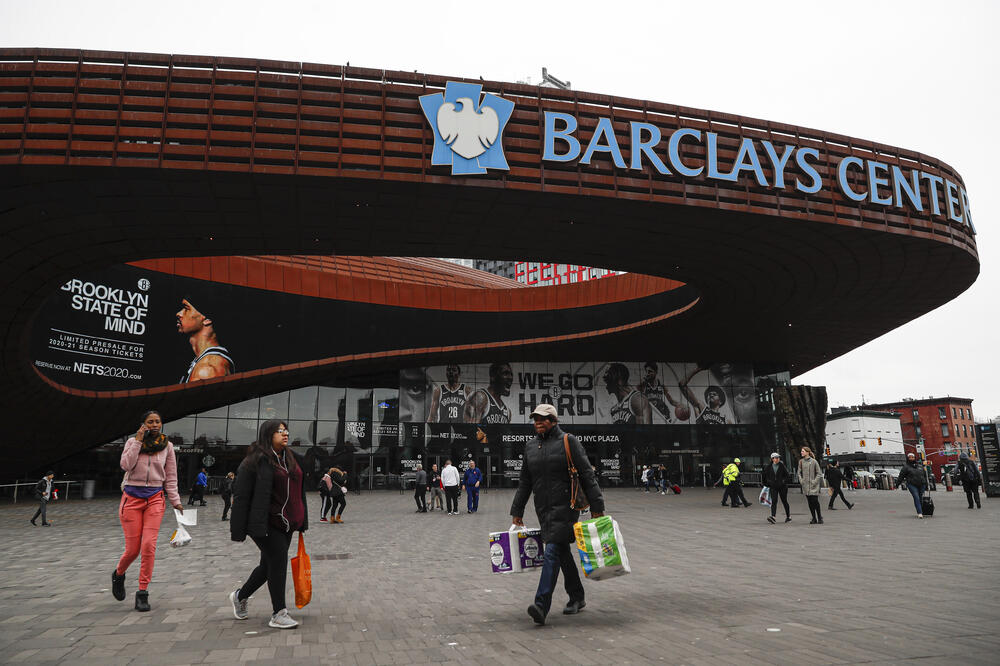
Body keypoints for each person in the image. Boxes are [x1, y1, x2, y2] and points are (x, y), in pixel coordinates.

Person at [511, 404, 605, 626]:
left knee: (552, 549)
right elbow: (525, 481)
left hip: (567, 506)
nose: (538, 422)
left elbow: (586, 475)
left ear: (553, 420)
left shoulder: (568, 441)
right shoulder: (531, 446)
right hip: (543, 508)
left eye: (542, 419)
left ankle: (541, 605)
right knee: (561, 551)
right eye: (535, 419)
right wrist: (517, 510)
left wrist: (597, 506)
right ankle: (577, 596)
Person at [229, 420, 308, 629]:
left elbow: (298, 490)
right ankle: (279, 612)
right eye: (279, 431)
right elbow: (242, 495)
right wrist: (239, 529)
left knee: (268, 566)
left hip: (287, 522)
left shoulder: (289, 458)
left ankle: (240, 596)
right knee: (278, 560)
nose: (285, 434)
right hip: (264, 522)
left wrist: (301, 519)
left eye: (286, 430)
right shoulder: (254, 461)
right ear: (268, 434)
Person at [112, 410, 183, 612]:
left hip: (155, 499)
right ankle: (118, 574)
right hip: (132, 500)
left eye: (157, 421)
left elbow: (170, 476)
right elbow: (126, 465)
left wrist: (175, 500)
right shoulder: (132, 443)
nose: (154, 424)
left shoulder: (167, 446)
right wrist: (137, 441)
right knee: (132, 550)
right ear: (143, 424)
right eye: (150, 422)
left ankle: (142, 593)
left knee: (149, 546)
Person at [176, 296, 235, 383]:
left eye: (186, 308)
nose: (179, 314)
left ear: (207, 320)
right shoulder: (203, 362)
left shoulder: (206, 370)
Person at [761, 452, 791, 523]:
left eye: (778, 458)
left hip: (782, 487)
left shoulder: (782, 466)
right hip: (773, 486)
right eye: (776, 458)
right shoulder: (768, 467)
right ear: (772, 459)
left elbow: (787, 476)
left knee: (784, 501)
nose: (777, 459)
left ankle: (788, 516)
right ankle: (773, 517)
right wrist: (768, 484)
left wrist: (783, 482)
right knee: (774, 501)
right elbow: (764, 476)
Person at [896, 452, 928, 518]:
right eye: (910, 457)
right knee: (916, 497)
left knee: (920, 497)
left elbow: (924, 475)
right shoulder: (905, 467)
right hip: (912, 484)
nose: (911, 458)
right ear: (907, 458)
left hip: (922, 484)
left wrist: (926, 484)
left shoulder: (920, 466)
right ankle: (920, 513)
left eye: (912, 457)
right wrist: (897, 484)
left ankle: (921, 510)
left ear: (914, 458)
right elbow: (901, 476)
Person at [798, 447, 824, 524]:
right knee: (810, 502)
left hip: (813, 485)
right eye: (801, 451)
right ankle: (813, 518)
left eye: (803, 451)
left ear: (807, 452)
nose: (801, 452)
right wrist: (801, 480)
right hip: (805, 485)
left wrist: (814, 482)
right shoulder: (801, 462)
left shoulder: (814, 461)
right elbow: (799, 473)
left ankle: (819, 517)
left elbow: (819, 473)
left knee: (815, 501)